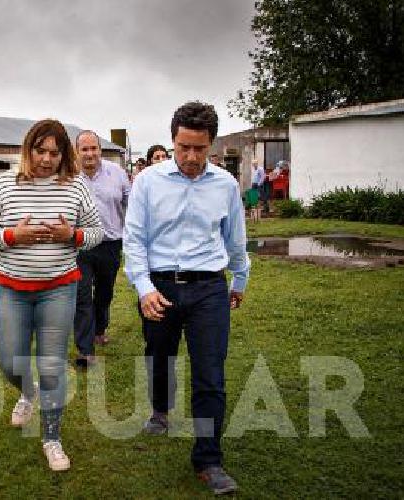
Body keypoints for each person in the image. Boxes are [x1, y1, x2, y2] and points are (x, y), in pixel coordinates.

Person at [122, 101, 250, 495]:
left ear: (210, 144)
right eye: (183, 147)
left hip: (209, 287)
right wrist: (144, 289)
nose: (191, 157)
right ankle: (161, 410)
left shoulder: (225, 185)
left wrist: (240, 278)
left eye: (200, 148)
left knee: (210, 373)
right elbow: (135, 240)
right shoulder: (148, 182)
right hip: (160, 286)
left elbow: (235, 238)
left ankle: (209, 460)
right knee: (159, 355)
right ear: (173, 140)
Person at [0, 119, 103, 472]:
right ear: (28, 149)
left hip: (59, 287)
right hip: (12, 288)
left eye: (54, 153)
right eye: (40, 151)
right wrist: (13, 236)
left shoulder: (75, 186)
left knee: (52, 365)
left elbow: (97, 232)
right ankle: (27, 394)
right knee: (9, 360)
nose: (46, 159)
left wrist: (71, 235)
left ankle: (52, 438)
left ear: (64, 155)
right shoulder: (4, 185)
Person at [72, 130, 131, 367]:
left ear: (100, 149)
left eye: (93, 148)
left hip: (110, 244)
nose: (90, 154)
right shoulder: (69, 176)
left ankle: (100, 328)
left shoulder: (116, 173)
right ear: (77, 152)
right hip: (80, 246)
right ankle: (85, 349)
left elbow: (130, 202)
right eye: (84, 149)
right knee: (82, 295)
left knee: (104, 293)